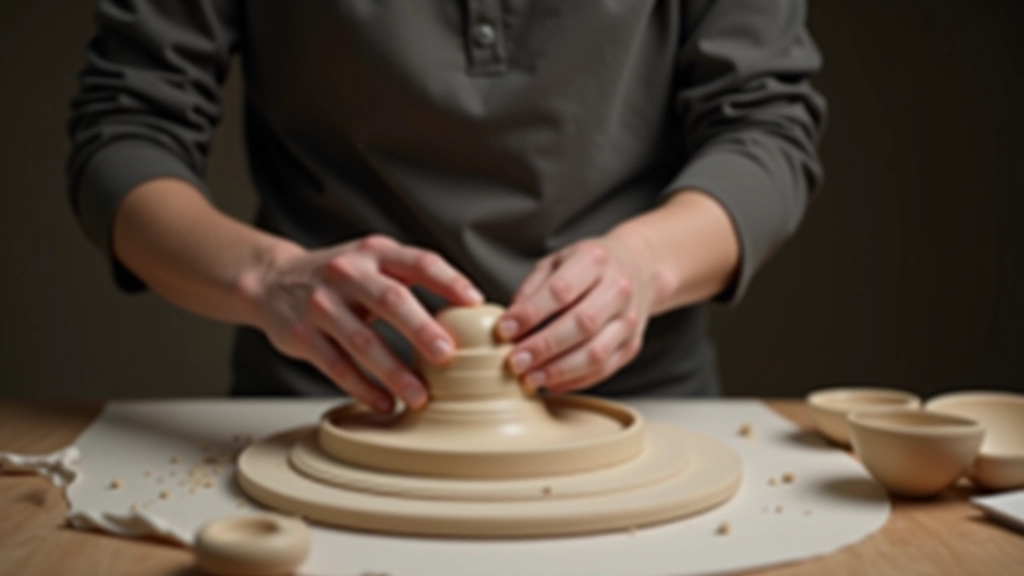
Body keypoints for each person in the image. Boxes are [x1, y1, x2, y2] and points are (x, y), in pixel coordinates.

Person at [67, 0, 825, 411]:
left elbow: (767, 128)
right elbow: (127, 131)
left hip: (633, 411)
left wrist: (645, 266)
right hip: (320, 415)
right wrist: (269, 279)